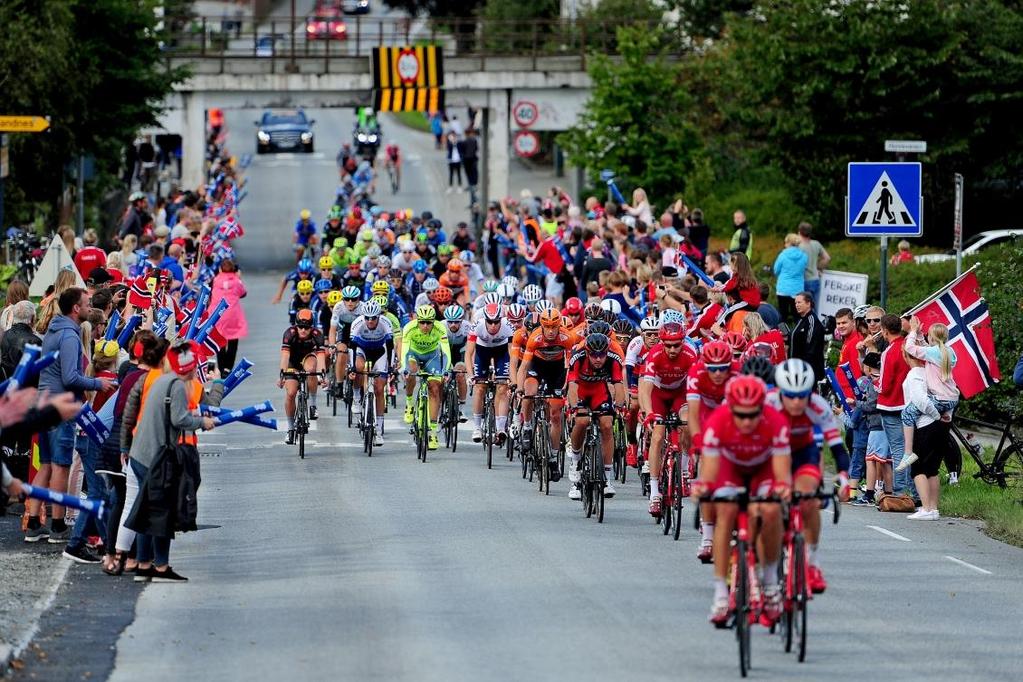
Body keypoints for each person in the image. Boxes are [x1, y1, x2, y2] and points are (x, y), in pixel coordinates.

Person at [691, 376, 791, 625]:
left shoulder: (775, 421)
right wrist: (703, 487)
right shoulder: (718, 421)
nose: (746, 421)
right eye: (740, 415)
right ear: (730, 408)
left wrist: (781, 489)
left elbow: (780, 471)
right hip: (730, 469)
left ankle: (769, 582)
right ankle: (721, 594)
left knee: (770, 510)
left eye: (752, 414)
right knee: (725, 512)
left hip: (763, 469)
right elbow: (711, 470)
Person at [122, 340, 220, 582]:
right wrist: (203, 423)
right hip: (155, 456)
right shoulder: (176, 385)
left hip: (141, 452)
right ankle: (161, 566)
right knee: (161, 512)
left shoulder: (161, 380)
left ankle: (145, 564)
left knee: (148, 510)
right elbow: (180, 419)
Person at [26, 288, 115, 543]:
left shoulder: (55, 330)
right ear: (76, 308)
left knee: (45, 464)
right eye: (86, 304)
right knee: (61, 465)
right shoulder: (69, 336)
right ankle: (57, 525)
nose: (89, 307)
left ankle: (33, 523)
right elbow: (70, 377)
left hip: (43, 401)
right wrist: (98, 384)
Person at [767, 359, 850, 594]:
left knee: (809, 499)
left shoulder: (818, 406)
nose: (796, 401)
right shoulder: (768, 404)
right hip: (772, 453)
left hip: (804, 454)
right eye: (790, 395)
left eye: (801, 395)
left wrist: (844, 476)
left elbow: (837, 448)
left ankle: (812, 563)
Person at [637, 321, 698, 515]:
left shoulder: (690, 354)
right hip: (658, 394)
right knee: (657, 436)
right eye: (668, 345)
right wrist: (649, 414)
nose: (672, 349)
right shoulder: (654, 355)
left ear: (683, 342)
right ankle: (655, 493)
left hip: (680, 393)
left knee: (687, 424)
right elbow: (645, 390)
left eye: (677, 345)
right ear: (662, 343)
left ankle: (684, 471)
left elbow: (697, 386)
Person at [566, 332, 626, 500]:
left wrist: (620, 407)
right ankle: (576, 461)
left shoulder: (613, 360)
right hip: (581, 392)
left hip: (599, 392)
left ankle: (606, 478)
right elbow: (572, 386)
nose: (598, 359)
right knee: (582, 421)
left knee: (607, 424)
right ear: (587, 352)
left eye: (602, 354)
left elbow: (619, 386)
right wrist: (574, 407)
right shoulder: (577, 358)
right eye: (594, 354)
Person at [896, 317, 959, 475]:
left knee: (907, 413)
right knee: (932, 411)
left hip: (939, 399)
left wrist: (912, 332)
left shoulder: (933, 352)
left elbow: (910, 348)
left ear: (931, 338)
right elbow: (928, 350)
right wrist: (919, 335)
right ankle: (942, 415)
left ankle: (908, 452)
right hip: (952, 399)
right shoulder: (949, 352)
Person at [900, 349, 956, 520]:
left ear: (906, 356)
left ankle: (925, 508)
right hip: (941, 426)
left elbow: (919, 399)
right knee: (932, 468)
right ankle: (933, 508)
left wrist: (935, 415)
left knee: (918, 468)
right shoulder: (935, 372)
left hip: (925, 425)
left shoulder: (915, 373)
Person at [401, 305, 452, 450]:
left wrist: (446, 370)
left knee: (435, 388)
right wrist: (404, 368)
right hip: (414, 355)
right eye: (422, 322)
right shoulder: (409, 327)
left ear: (434, 321)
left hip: (432, 356)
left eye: (428, 322)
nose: (425, 326)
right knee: (411, 370)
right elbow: (404, 350)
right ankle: (410, 404)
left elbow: (446, 351)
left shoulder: (440, 329)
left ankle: (433, 432)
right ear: (417, 321)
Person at [464, 302, 513, 444]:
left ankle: (500, 428)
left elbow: (512, 354)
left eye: (496, 322)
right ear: (485, 319)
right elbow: (468, 354)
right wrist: (470, 375)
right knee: (480, 387)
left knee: (502, 387)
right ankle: (477, 427)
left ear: (501, 320)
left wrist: (511, 376)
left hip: (502, 352)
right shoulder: (477, 326)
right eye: (490, 322)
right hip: (482, 352)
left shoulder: (507, 326)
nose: (493, 325)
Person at [278, 309, 327, 444]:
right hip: (292, 361)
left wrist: (323, 376)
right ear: (296, 325)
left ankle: (312, 404)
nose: (303, 330)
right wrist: (282, 374)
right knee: (291, 393)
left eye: (306, 327)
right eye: (300, 327)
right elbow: (285, 356)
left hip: (308, 358)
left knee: (311, 369)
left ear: (312, 327)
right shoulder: (289, 334)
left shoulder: (317, 335)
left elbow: (321, 358)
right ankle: (290, 428)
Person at [876, 314, 912, 494]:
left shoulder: (888, 352)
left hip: (891, 405)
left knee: (897, 449)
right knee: (909, 449)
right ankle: (914, 492)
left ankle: (899, 491)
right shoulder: (909, 346)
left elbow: (885, 384)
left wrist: (875, 383)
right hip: (909, 403)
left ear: (884, 330)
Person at [210, 259, 247, 373]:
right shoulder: (236, 281)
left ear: (220, 269)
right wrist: (239, 278)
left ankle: (221, 367)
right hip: (232, 314)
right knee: (233, 341)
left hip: (218, 313)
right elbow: (243, 293)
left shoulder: (215, 280)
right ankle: (228, 367)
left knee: (219, 341)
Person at [789, 292, 825, 382]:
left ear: (808, 303)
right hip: (795, 367)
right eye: (795, 303)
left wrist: (803, 370)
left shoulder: (812, 320)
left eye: (799, 302)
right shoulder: (800, 319)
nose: (796, 305)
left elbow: (810, 348)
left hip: (806, 371)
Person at [0, 301, 40, 381]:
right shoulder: (35, 341)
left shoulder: (4, 335)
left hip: (7, 384)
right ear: (32, 318)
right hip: (26, 388)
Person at [773, 233, 808, 324]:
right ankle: (797, 335)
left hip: (783, 288)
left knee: (782, 315)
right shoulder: (804, 256)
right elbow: (803, 270)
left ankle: (782, 335)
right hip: (797, 289)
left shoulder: (783, 255)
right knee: (797, 315)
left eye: (785, 242)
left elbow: (776, 270)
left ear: (788, 243)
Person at [798, 222, 830, 308]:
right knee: (814, 308)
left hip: (804, 280)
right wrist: (818, 268)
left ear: (799, 232)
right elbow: (827, 258)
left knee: (805, 310)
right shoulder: (816, 244)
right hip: (816, 279)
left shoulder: (798, 247)